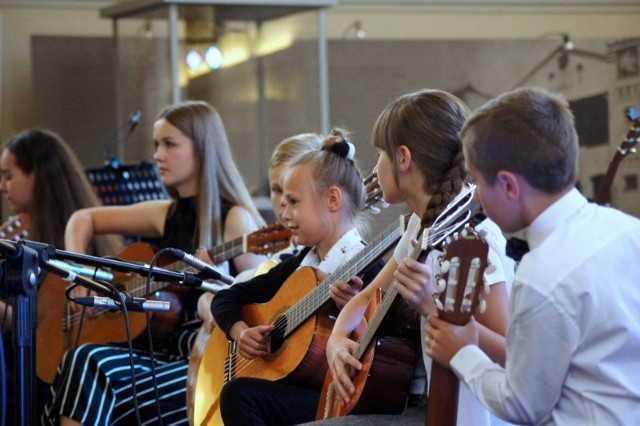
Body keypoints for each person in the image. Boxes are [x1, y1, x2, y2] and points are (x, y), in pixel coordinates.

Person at [41, 100, 267, 425]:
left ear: (203, 150)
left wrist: (217, 283)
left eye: (169, 144)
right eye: (156, 144)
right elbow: (82, 219)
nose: (158, 155)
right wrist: (82, 277)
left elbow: (258, 303)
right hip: (158, 347)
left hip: (203, 351)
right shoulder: (165, 213)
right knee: (82, 358)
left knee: (101, 386)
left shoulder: (236, 220)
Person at [425, 87, 640, 425]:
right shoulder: (629, 231)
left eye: (479, 182)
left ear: (509, 186)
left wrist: (462, 353)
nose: (477, 198)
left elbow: (522, 406)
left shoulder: (542, 275)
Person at [320, 89, 514, 425]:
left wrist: (433, 307)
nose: (377, 165)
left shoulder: (475, 237)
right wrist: (337, 340)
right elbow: (367, 295)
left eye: (381, 153)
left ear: (404, 158)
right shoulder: (421, 225)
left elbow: (513, 353)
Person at [211, 129, 381, 425]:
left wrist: (354, 308)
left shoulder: (365, 266)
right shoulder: (299, 264)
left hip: (338, 393)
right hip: (299, 385)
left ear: (332, 199)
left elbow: (387, 348)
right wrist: (240, 333)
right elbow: (227, 296)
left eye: (293, 202)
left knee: (239, 395)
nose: (284, 214)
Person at [0, 129, 122, 422]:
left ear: (37, 176)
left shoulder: (80, 242)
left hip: (52, 381)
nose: (3, 187)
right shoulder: (16, 232)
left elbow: (39, 328)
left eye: (8, 176)